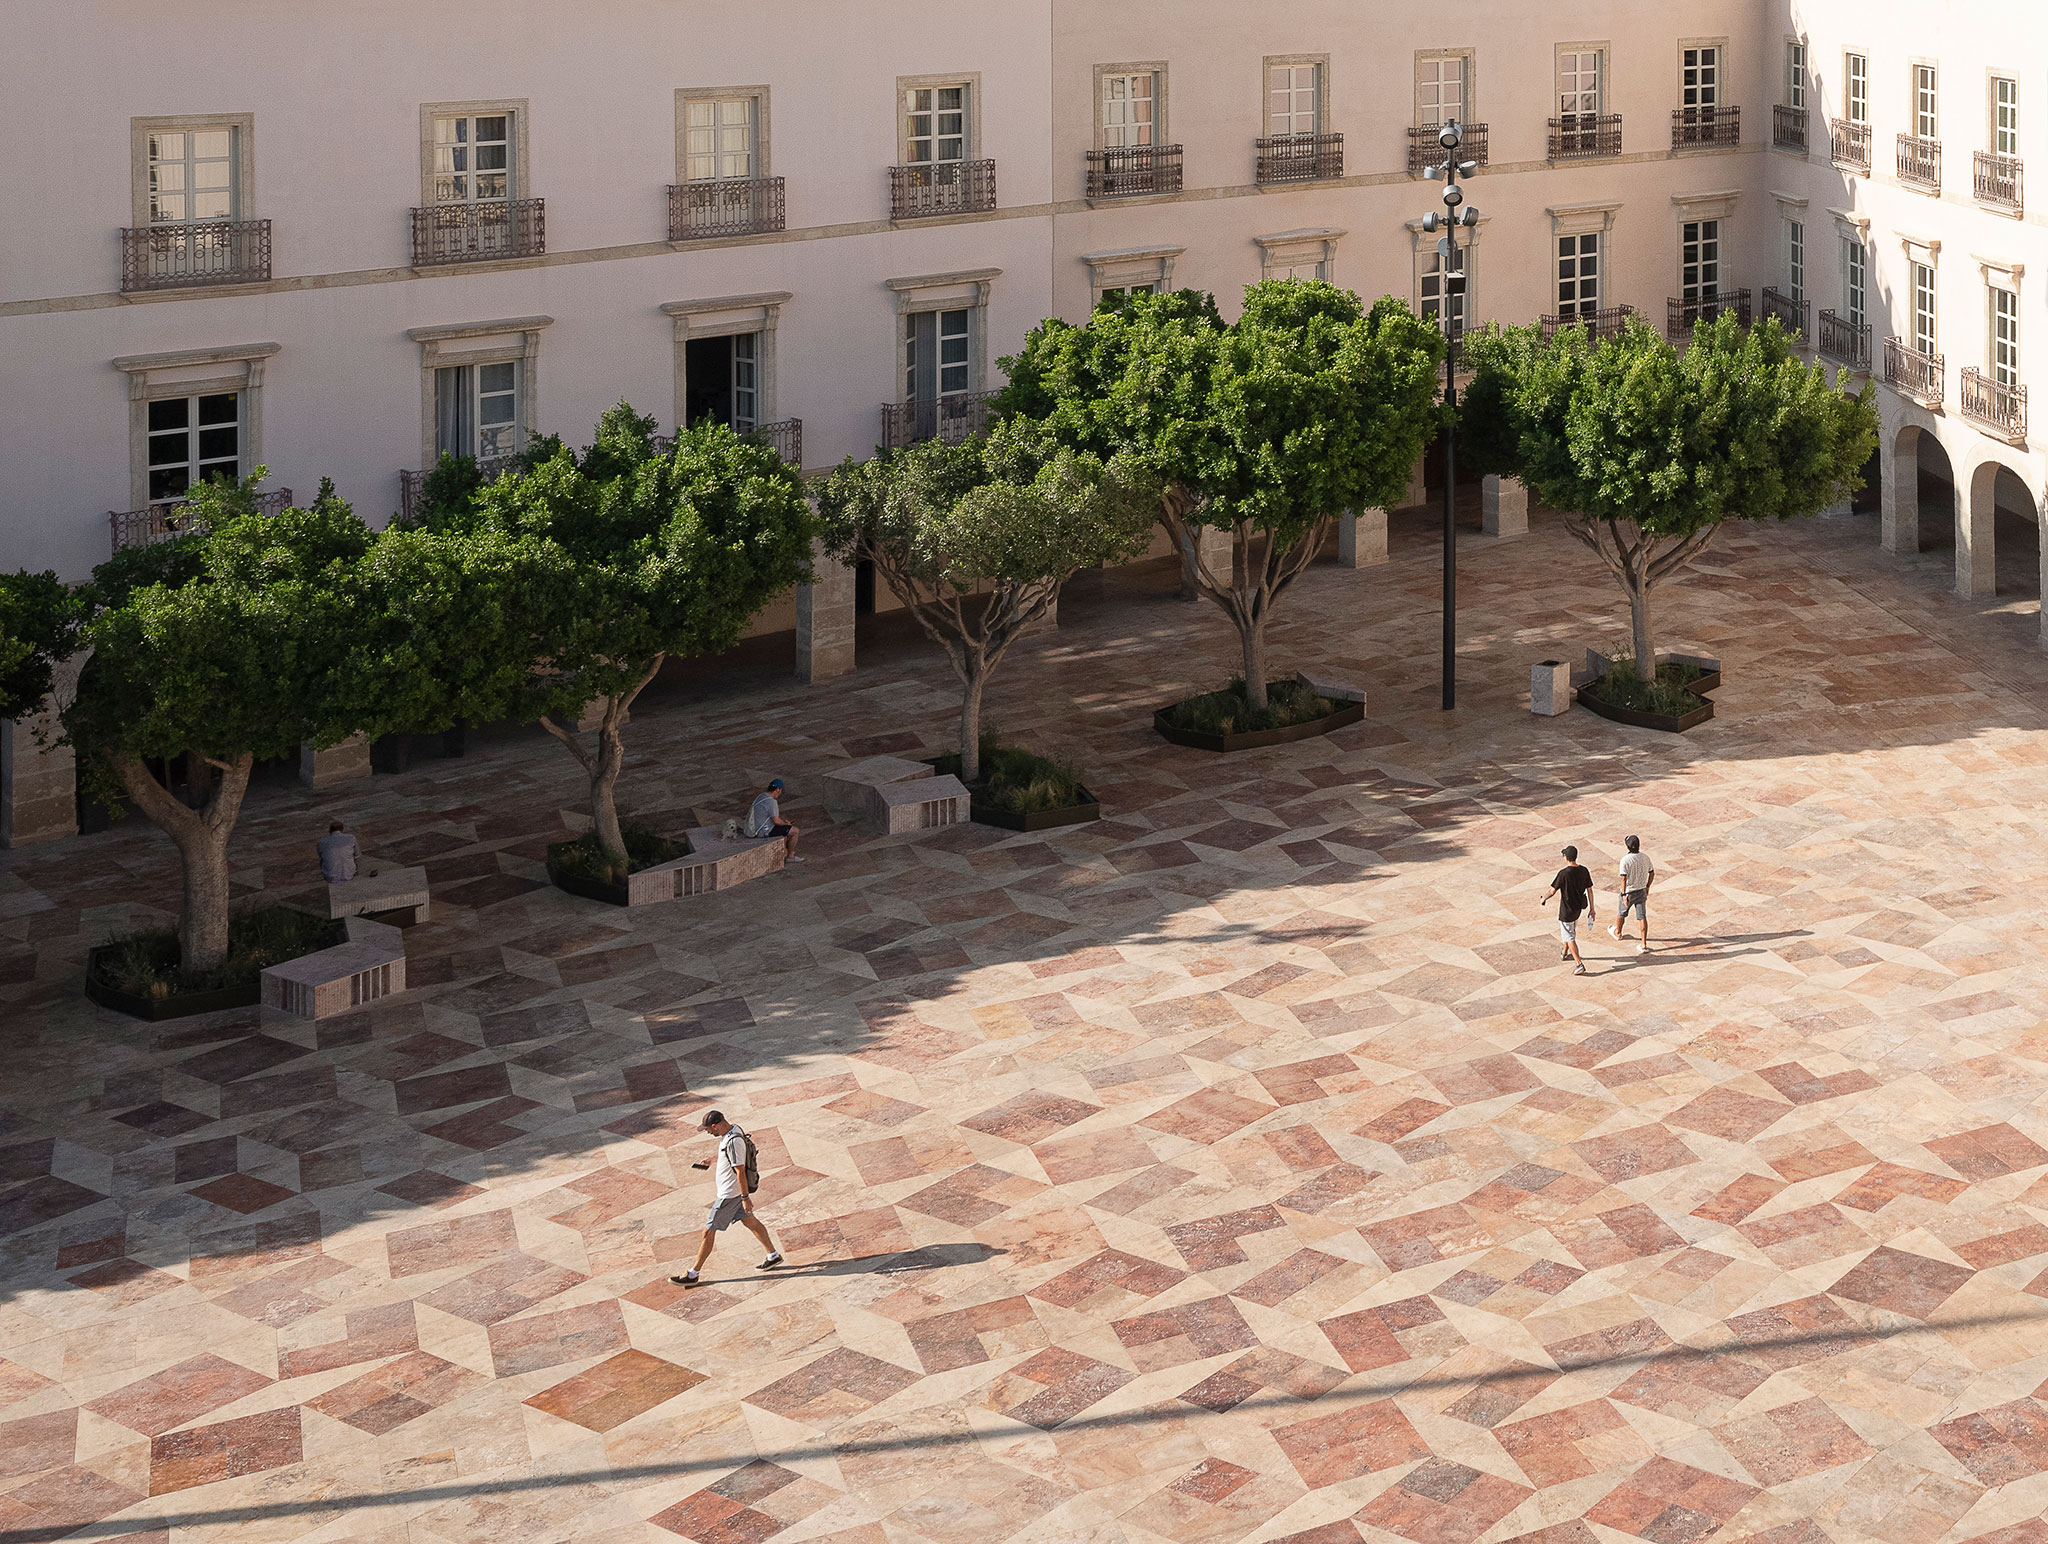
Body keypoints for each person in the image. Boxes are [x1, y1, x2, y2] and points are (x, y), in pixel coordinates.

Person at [671, 1110, 781, 1285]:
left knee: (708, 1231)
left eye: (708, 1129)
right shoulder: (734, 1130)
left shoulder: (733, 1141)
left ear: (715, 1125)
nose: (707, 1132)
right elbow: (731, 1154)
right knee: (750, 1222)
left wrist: (745, 1198)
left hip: (729, 1194)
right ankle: (773, 1255)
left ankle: (693, 1274)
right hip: (734, 1193)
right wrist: (713, 1159)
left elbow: (740, 1171)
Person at [1541, 845, 1596, 976]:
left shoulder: (1563, 874)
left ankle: (1579, 963)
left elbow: (1552, 891)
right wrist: (1592, 909)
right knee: (1569, 932)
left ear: (1566, 858)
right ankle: (1564, 952)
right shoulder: (1584, 871)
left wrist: (1544, 898)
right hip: (1578, 909)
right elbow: (1590, 890)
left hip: (1566, 911)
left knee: (1570, 936)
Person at [1610, 835, 1655, 953]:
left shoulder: (1625, 860)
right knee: (1642, 916)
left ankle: (1618, 932)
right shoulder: (1645, 857)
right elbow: (1651, 873)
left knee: (1622, 913)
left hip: (1629, 891)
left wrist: (1624, 894)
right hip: (1641, 890)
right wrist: (1647, 886)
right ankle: (1643, 943)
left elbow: (1623, 879)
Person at [744, 777, 803, 862]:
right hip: (763, 831)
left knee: (784, 830)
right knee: (795, 831)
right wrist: (787, 824)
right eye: (780, 791)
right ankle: (790, 856)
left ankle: (784, 851)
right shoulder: (772, 802)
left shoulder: (761, 796)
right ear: (778, 790)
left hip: (754, 828)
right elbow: (776, 820)